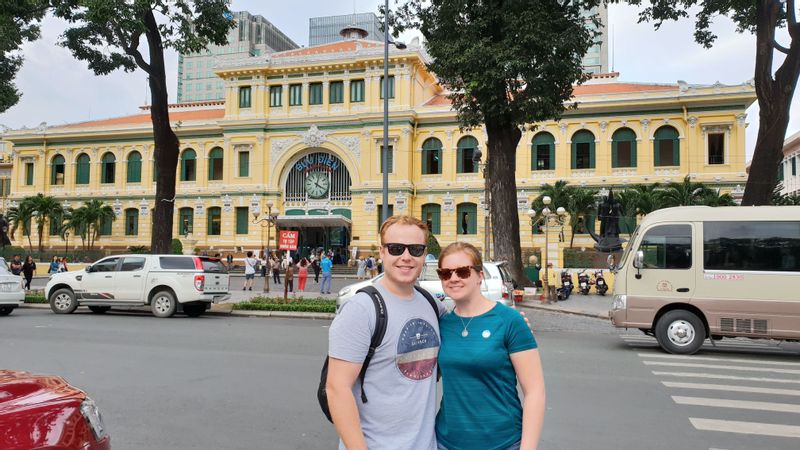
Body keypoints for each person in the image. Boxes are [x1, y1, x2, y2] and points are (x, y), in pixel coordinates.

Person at [326, 215, 445, 450]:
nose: (406, 257)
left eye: (416, 249)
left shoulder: (431, 303)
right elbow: (337, 389)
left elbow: (467, 326)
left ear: (425, 255)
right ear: (382, 252)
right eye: (396, 248)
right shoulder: (361, 309)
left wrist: (507, 321)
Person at [434, 242, 545, 450]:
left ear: (479, 275)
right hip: (446, 442)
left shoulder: (509, 320)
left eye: (463, 271)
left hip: (502, 442)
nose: (454, 278)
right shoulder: (441, 324)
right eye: (446, 273)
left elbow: (535, 392)